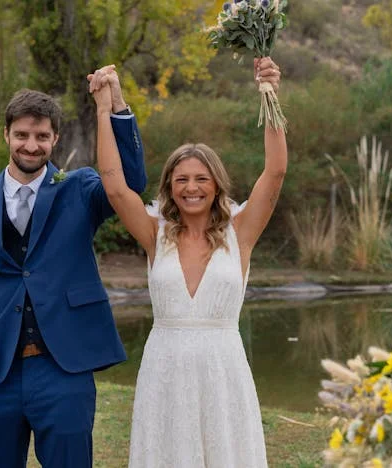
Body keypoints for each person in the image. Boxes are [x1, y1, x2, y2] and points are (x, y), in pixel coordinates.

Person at [0, 66, 147, 468]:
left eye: (42, 136)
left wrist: (117, 106)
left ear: (55, 138)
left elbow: (131, 183)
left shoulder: (81, 189)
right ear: (7, 135)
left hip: (63, 369)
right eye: (22, 135)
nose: (31, 145)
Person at [91, 57, 286, 467]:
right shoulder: (154, 234)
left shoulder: (241, 231)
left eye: (201, 179)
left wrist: (269, 94)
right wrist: (103, 110)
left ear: (216, 184)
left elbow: (276, 171)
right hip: (165, 371)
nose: (191, 188)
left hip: (224, 370)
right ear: (170, 188)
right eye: (181, 180)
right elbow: (113, 184)